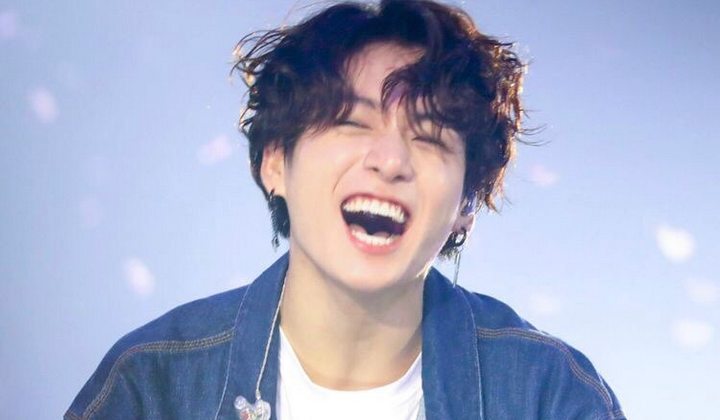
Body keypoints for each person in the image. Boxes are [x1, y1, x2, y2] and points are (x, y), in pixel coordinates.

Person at [66, 1, 626, 419]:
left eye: (429, 138)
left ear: (465, 207)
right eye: (352, 123)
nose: (390, 160)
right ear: (275, 162)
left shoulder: (547, 394)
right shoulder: (154, 383)